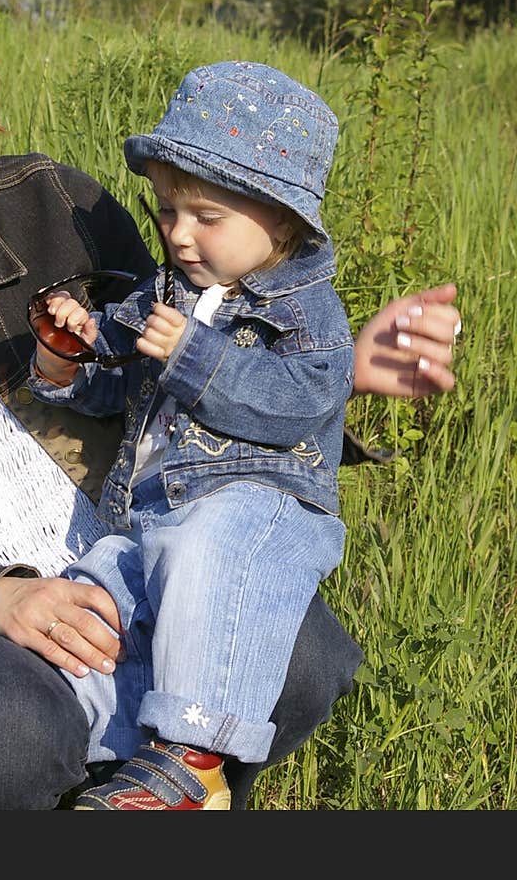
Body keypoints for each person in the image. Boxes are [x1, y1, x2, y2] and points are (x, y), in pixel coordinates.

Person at [0, 0, 461, 812]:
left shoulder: (52, 205)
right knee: (3, 737)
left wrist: (336, 374)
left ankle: (160, 792)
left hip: (138, 556)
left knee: (306, 655)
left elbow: (171, 382)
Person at [28, 62, 353, 810]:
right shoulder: (166, 293)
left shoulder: (307, 310)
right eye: (169, 209)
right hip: (150, 518)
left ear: (281, 218)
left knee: (206, 549)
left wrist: (193, 356)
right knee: (92, 596)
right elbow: (119, 382)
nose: (177, 234)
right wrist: (68, 354)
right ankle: (101, 760)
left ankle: (194, 763)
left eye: (205, 216)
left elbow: (297, 403)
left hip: (259, 510)